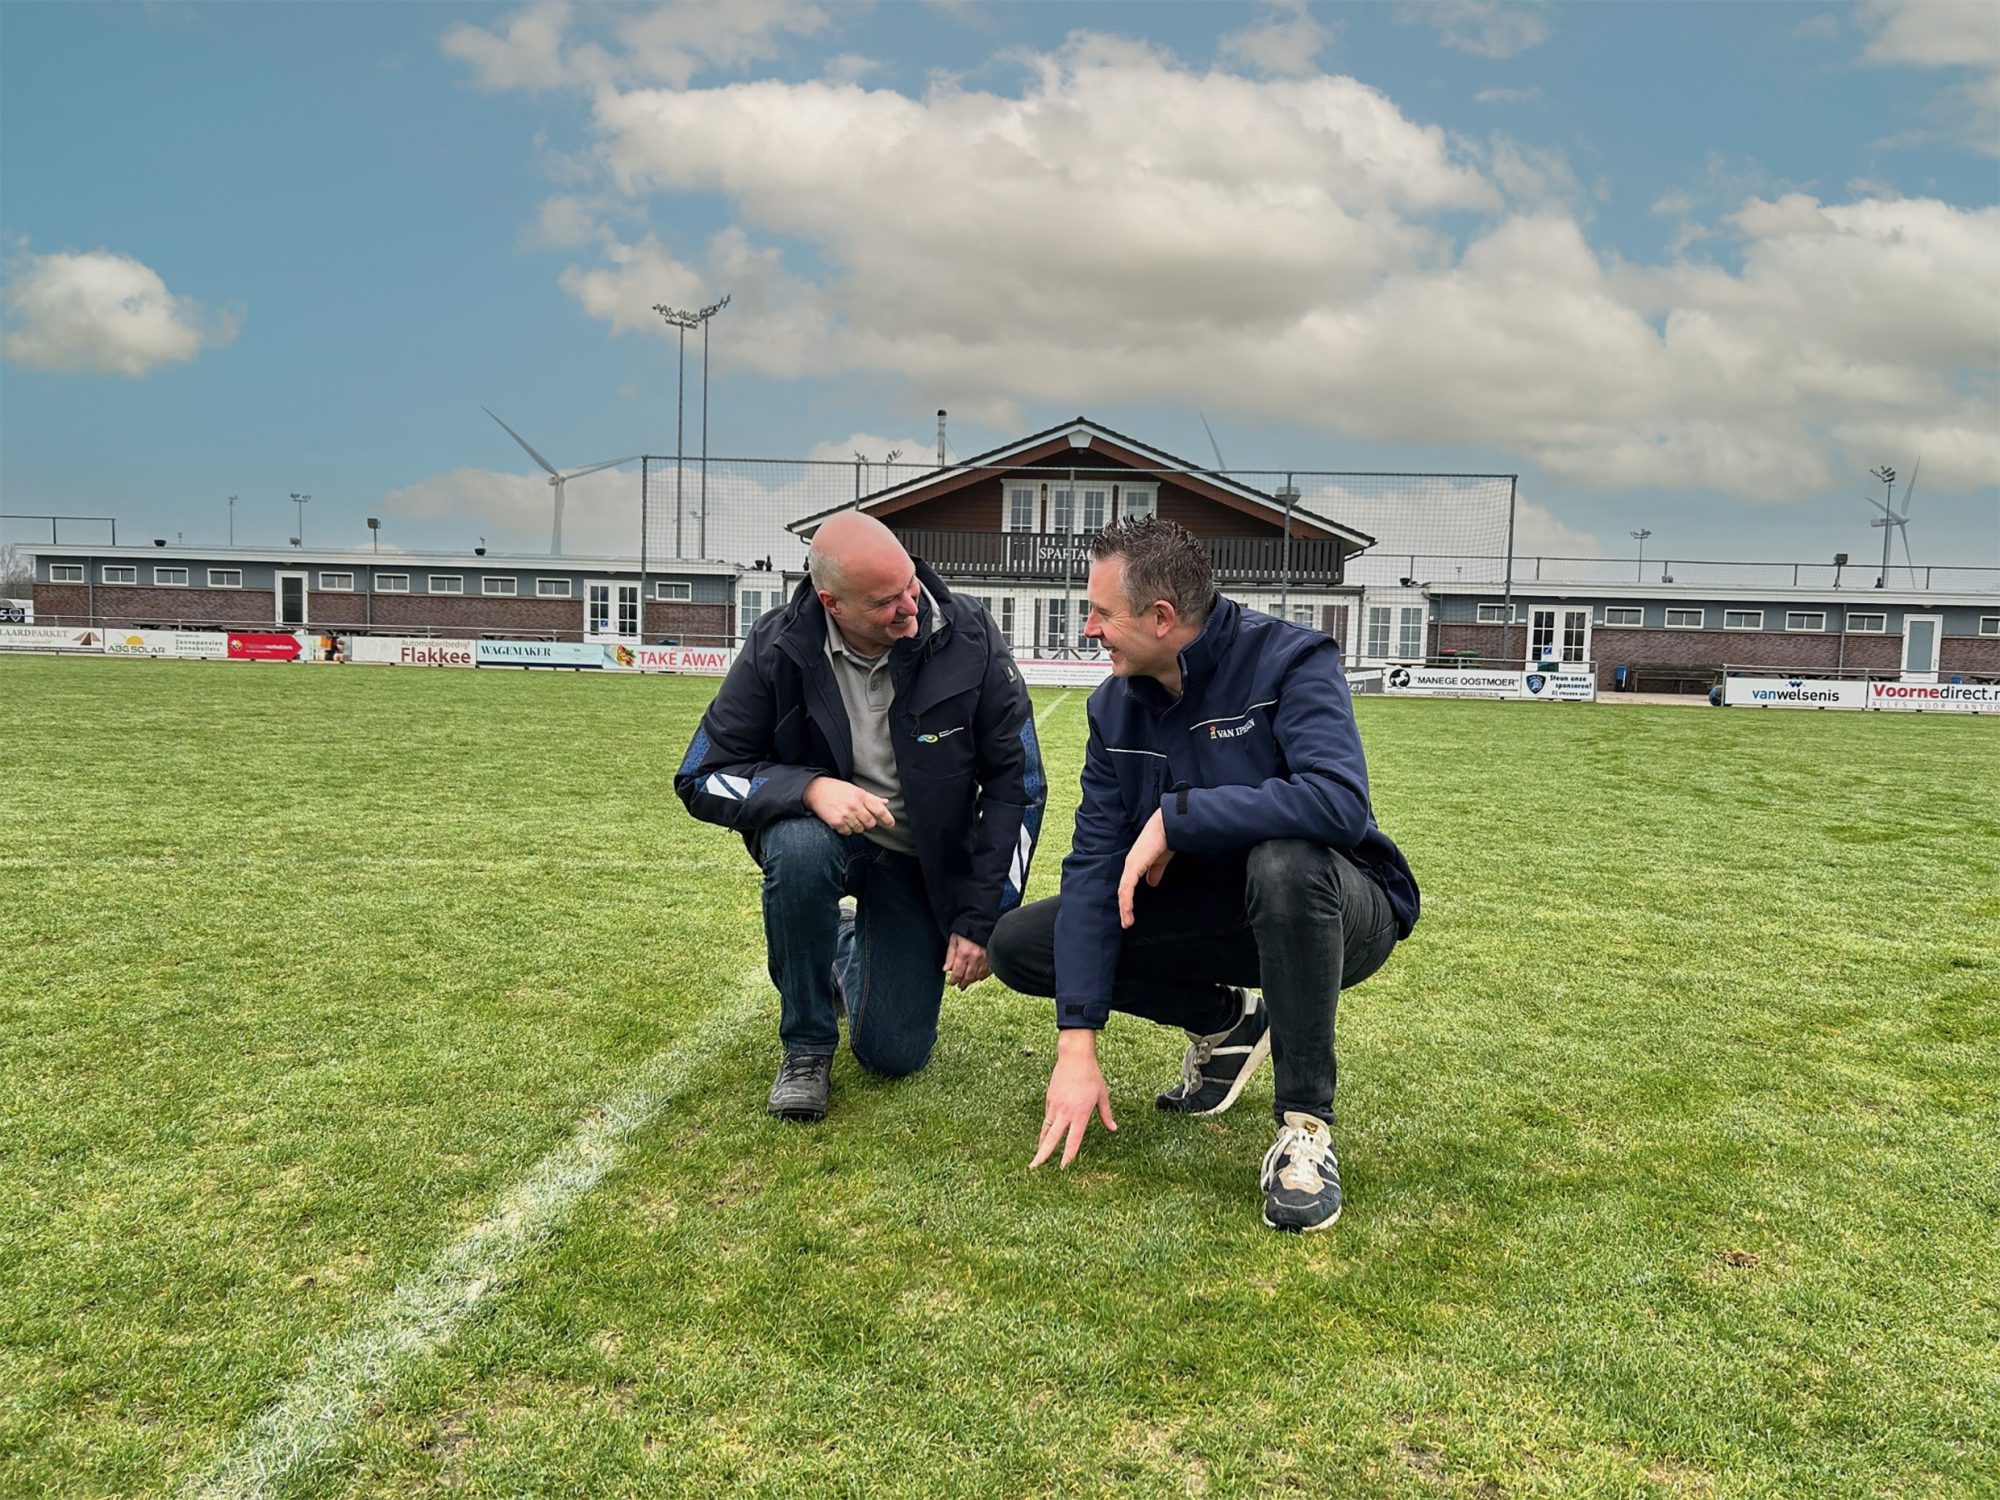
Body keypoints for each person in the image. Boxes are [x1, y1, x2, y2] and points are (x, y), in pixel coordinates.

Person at [988, 517, 1418, 1232]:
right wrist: (1076, 1041)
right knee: (1023, 944)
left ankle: (1305, 1130)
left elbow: (1339, 804)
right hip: (1214, 916)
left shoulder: (1291, 660)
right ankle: (1226, 1024)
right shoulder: (1112, 709)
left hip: (1337, 914)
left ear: (1161, 618)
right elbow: (1095, 869)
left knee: (1285, 862)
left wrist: (1179, 819)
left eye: (1100, 613)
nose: (1088, 629)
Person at [676, 511, 1046, 1122]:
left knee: (893, 1054)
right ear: (833, 604)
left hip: (918, 862)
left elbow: (1020, 785)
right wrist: (809, 788)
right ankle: (806, 1046)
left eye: (910, 585)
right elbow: (699, 775)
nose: (910, 608)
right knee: (797, 848)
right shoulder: (776, 645)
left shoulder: (970, 634)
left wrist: (982, 917)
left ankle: (842, 941)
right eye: (885, 602)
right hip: (827, 839)